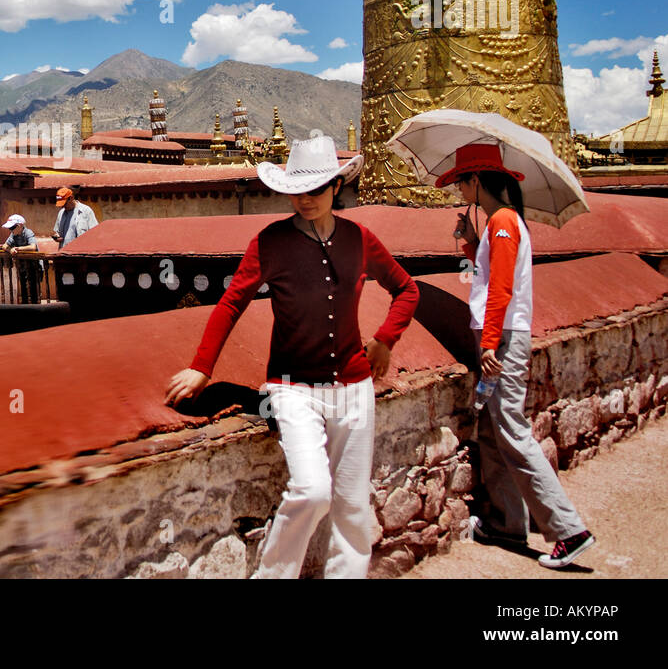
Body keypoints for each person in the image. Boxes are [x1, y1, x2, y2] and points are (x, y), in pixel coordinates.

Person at [165, 135, 419, 578]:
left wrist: (384, 340)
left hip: (355, 388)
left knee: (353, 507)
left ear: (336, 188)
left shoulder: (360, 240)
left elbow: (407, 289)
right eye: (297, 191)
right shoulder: (270, 242)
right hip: (292, 388)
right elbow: (231, 303)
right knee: (312, 490)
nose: (306, 199)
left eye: (316, 189)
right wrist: (201, 367)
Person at [443, 143, 595, 569]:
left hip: (503, 337)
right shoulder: (497, 224)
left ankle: (569, 530)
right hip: (498, 334)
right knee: (492, 429)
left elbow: (501, 289)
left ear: (476, 180)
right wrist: (472, 247)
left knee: (511, 429)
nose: (457, 189)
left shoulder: (505, 221)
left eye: (460, 181)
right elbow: (490, 274)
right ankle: (506, 522)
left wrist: (490, 343)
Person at [1, 214, 42, 303]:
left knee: (33, 286)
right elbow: (4, 246)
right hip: (22, 265)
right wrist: (10, 249)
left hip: (33, 265)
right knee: (23, 285)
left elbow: (33, 247)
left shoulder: (28, 232)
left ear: (19, 226)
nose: (10, 230)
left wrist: (18, 249)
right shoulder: (13, 235)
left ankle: (36, 306)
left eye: (12, 228)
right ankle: (25, 306)